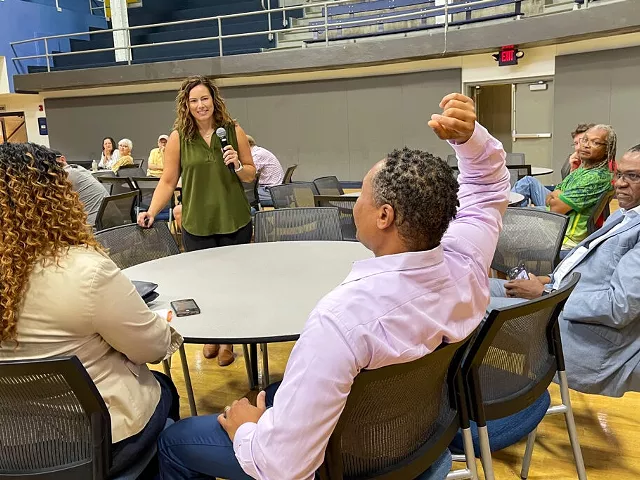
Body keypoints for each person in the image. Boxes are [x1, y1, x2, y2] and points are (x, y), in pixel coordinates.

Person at [156, 93, 511, 479]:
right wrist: (472, 140)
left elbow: (284, 467)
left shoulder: (343, 320)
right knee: (277, 392)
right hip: (419, 435)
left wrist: (247, 428)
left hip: (349, 458)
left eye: (363, 193)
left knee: (176, 441)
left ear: (384, 216)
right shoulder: (469, 261)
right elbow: (489, 190)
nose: (356, 201)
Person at [0, 142, 183, 477]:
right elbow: (153, 347)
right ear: (56, 198)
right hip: (95, 441)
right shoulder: (85, 271)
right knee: (164, 389)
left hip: (9, 445)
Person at [489, 144, 640, 397]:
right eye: (620, 174)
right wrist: (548, 279)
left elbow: (618, 306)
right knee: (470, 288)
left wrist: (546, 292)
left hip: (578, 334)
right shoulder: (625, 215)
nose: (620, 184)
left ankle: (454, 408)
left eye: (633, 176)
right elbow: (586, 261)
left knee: (465, 312)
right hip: (555, 297)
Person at [137, 75, 257, 367]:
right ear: (187, 106)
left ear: (214, 100)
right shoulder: (179, 137)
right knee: (204, 286)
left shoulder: (233, 130)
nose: (200, 105)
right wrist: (152, 211)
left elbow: (251, 174)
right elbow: (168, 180)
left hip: (234, 219)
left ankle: (230, 341)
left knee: (232, 285)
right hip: (197, 223)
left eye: (204, 98)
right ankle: (212, 337)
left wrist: (238, 165)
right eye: (194, 101)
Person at [512, 124, 615, 251]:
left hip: (561, 231)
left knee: (510, 218)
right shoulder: (583, 169)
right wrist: (558, 194)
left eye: (595, 143)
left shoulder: (596, 176)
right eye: (585, 140)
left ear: (607, 149)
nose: (585, 145)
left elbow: (556, 208)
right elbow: (555, 194)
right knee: (527, 182)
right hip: (559, 218)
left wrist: (556, 195)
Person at [54, 149, 108, 226]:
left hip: (94, 226)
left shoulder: (66, 175)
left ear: (62, 159)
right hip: (110, 222)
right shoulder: (78, 168)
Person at [246, 135, 284, 207]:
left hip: (271, 192)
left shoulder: (257, 155)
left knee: (243, 197)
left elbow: (248, 175)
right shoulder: (259, 151)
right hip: (276, 189)